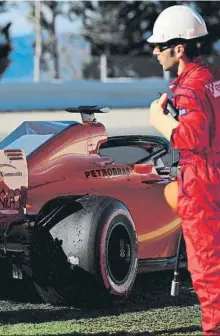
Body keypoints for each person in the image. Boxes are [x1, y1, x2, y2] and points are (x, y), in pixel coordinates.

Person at [147, 5, 220, 335]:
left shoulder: (188, 87)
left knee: (206, 267)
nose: (155, 51)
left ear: (178, 49)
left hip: (202, 182)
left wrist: (160, 121)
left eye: (160, 45)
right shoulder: (213, 78)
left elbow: (193, 137)